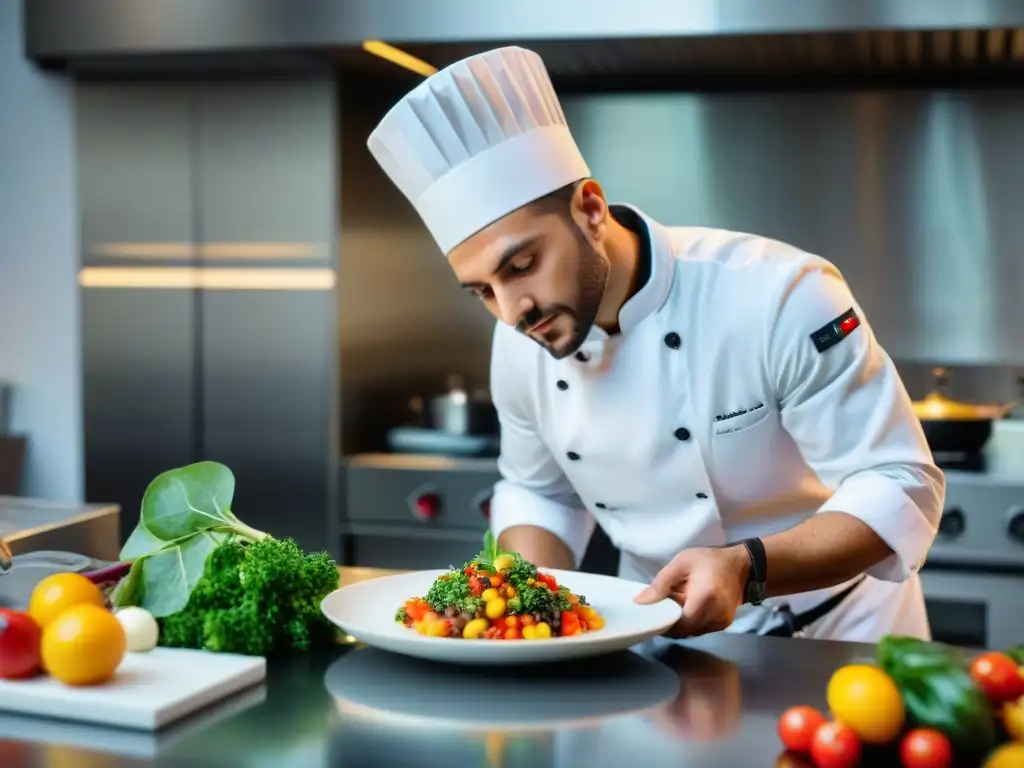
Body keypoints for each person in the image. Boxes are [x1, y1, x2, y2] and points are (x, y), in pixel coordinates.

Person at [366, 46, 945, 642]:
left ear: (590, 210)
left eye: (522, 265)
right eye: (480, 291)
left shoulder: (775, 294)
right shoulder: (519, 339)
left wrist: (746, 568)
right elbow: (539, 491)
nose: (512, 311)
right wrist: (519, 604)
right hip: (658, 639)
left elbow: (899, 481)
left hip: (836, 637)